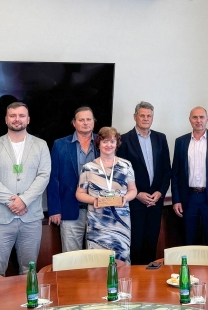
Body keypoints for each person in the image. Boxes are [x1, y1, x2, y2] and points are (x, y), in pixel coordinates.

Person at [0, 102, 51, 276]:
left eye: (21, 116)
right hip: (0, 218)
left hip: (31, 218)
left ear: (28, 119)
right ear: (6, 119)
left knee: (29, 269)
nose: (17, 119)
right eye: (12, 116)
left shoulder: (41, 145)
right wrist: (13, 202)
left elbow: (44, 176)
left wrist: (24, 200)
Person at [118, 102, 172, 265]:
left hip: (155, 201)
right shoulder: (124, 140)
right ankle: (136, 278)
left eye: (149, 116)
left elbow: (166, 169)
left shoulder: (160, 138)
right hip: (135, 202)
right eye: (142, 115)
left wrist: (160, 192)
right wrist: (137, 194)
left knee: (151, 243)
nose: (146, 119)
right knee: (136, 245)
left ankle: (150, 277)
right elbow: (121, 174)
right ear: (135, 117)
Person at [76, 127, 137, 264]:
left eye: (112, 141)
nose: (108, 145)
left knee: (121, 261)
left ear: (117, 144)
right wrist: (94, 200)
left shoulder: (126, 165)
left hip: (120, 223)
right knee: (97, 263)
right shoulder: (88, 167)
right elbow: (79, 194)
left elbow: (133, 190)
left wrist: (126, 198)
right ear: (99, 144)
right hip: (97, 224)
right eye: (105, 141)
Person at [171, 107, 208, 247]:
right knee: (189, 238)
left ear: (207, 119)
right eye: (195, 117)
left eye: (201, 117)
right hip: (189, 198)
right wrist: (176, 200)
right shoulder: (180, 142)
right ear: (190, 120)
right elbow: (176, 174)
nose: (198, 120)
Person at [47, 107, 98, 253]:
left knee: (96, 256)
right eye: (81, 120)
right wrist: (54, 210)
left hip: (98, 210)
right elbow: (53, 178)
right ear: (74, 123)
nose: (85, 123)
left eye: (88, 119)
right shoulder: (60, 145)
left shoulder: (103, 143)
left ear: (93, 122)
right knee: (72, 257)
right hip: (70, 210)